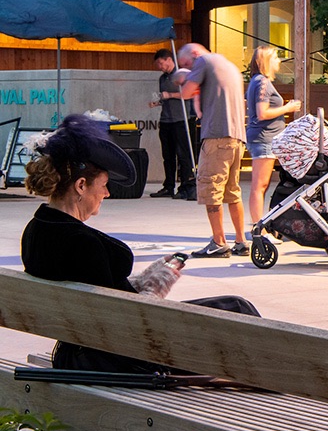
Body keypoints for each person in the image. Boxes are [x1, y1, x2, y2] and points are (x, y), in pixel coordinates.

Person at [21, 114, 260, 374]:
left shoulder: (36, 230)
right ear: (81, 185)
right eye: (104, 185)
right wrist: (153, 291)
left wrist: (144, 280)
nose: (107, 193)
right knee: (237, 309)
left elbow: (105, 294)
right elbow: (128, 323)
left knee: (230, 308)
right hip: (117, 359)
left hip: (78, 351)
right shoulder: (83, 244)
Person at [178, 43, 249, 258]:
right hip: (237, 138)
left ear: (195, 54)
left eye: (187, 64)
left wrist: (185, 81)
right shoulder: (230, 65)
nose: (189, 69)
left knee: (212, 191)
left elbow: (185, 92)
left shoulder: (203, 61)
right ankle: (241, 241)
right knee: (232, 191)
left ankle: (219, 242)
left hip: (216, 137)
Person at [245, 46, 302, 229]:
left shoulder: (260, 81)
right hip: (264, 138)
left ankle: (260, 224)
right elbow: (262, 113)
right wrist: (288, 108)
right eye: (276, 58)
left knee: (262, 185)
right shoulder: (262, 82)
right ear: (266, 61)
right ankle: (258, 228)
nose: (279, 61)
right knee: (259, 185)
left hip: (266, 138)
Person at [149, 48, 198, 200]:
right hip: (166, 120)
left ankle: (185, 186)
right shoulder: (162, 79)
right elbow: (165, 98)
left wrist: (170, 95)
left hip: (181, 119)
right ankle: (168, 186)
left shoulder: (182, 75)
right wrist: (158, 102)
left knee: (183, 155)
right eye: (158, 64)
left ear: (169, 60)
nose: (160, 67)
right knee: (168, 155)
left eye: (161, 63)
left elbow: (189, 94)